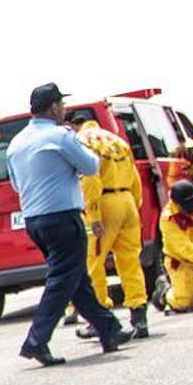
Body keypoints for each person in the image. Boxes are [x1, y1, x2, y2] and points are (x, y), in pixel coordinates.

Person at [5, 83, 131, 366]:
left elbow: (15, 184)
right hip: (63, 217)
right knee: (63, 280)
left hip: (35, 220)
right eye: (61, 105)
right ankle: (36, 340)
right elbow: (91, 167)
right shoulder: (60, 136)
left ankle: (109, 330)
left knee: (76, 279)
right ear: (53, 107)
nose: (64, 110)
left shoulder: (16, 143)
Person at [66, 109, 149, 339]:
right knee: (130, 262)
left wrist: (93, 216)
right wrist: (134, 206)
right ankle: (139, 317)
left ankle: (98, 317)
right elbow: (135, 178)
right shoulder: (117, 140)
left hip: (104, 203)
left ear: (73, 125)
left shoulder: (81, 140)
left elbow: (90, 179)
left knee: (94, 264)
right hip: (127, 202)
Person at [159, 179, 193, 314]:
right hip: (183, 262)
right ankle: (164, 291)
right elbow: (185, 249)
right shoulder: (169, 219)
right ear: (177, 204)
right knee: (184, 303)